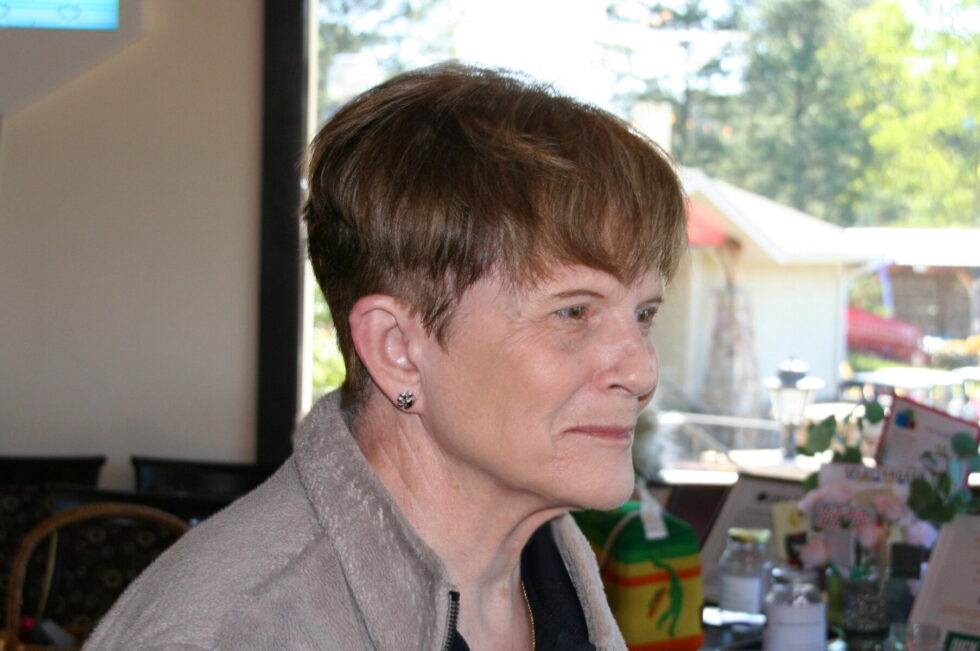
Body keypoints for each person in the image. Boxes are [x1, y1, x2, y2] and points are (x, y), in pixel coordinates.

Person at [85, 62, 687, 650]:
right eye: (574, 312)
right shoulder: (230, 631)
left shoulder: (552, 573)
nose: (641, 372)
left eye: (643, 315)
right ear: (398, 350)